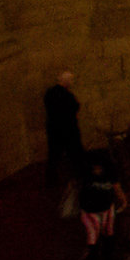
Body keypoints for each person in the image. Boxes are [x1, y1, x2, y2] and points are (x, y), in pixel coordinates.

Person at [43, 69, 85, 217]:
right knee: (76, 153)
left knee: (54, 156)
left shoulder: (50, 94)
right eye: (70, 80)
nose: (72, 83)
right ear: (65, 80)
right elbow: (74, 108)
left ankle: (52, 179)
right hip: (68, 131)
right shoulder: (67, 95)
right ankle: (80, 176)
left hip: (54, 131)